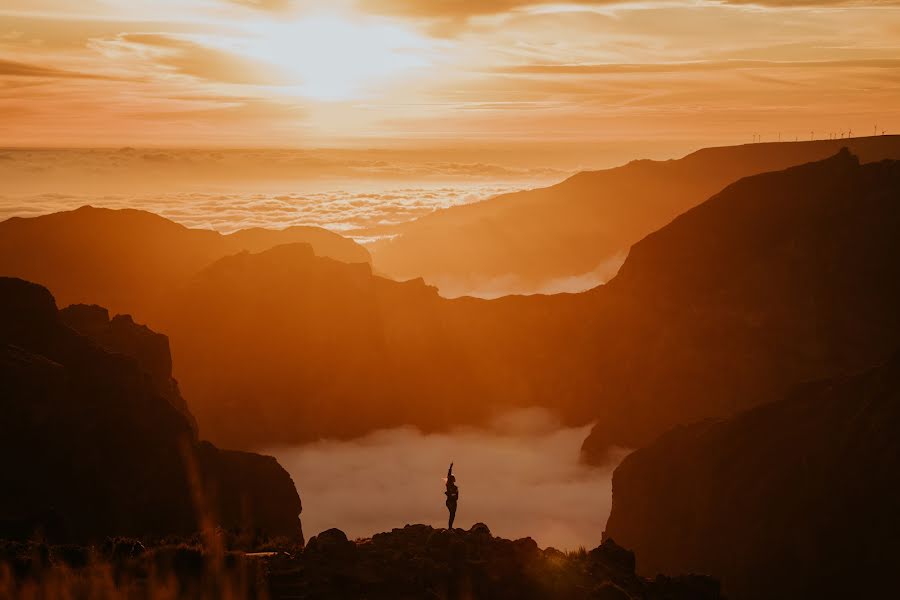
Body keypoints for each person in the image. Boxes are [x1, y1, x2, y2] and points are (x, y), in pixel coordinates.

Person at [445, 462, 459, 529]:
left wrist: (453, 494)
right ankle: (450, 527)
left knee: (453, 515)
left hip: (454, 502)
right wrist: (450, 468)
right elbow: (448, 475)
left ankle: (450, 527)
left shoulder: (455, 487)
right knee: (452, 514)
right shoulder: (449, 485)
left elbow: (456, 496)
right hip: (450, 502)